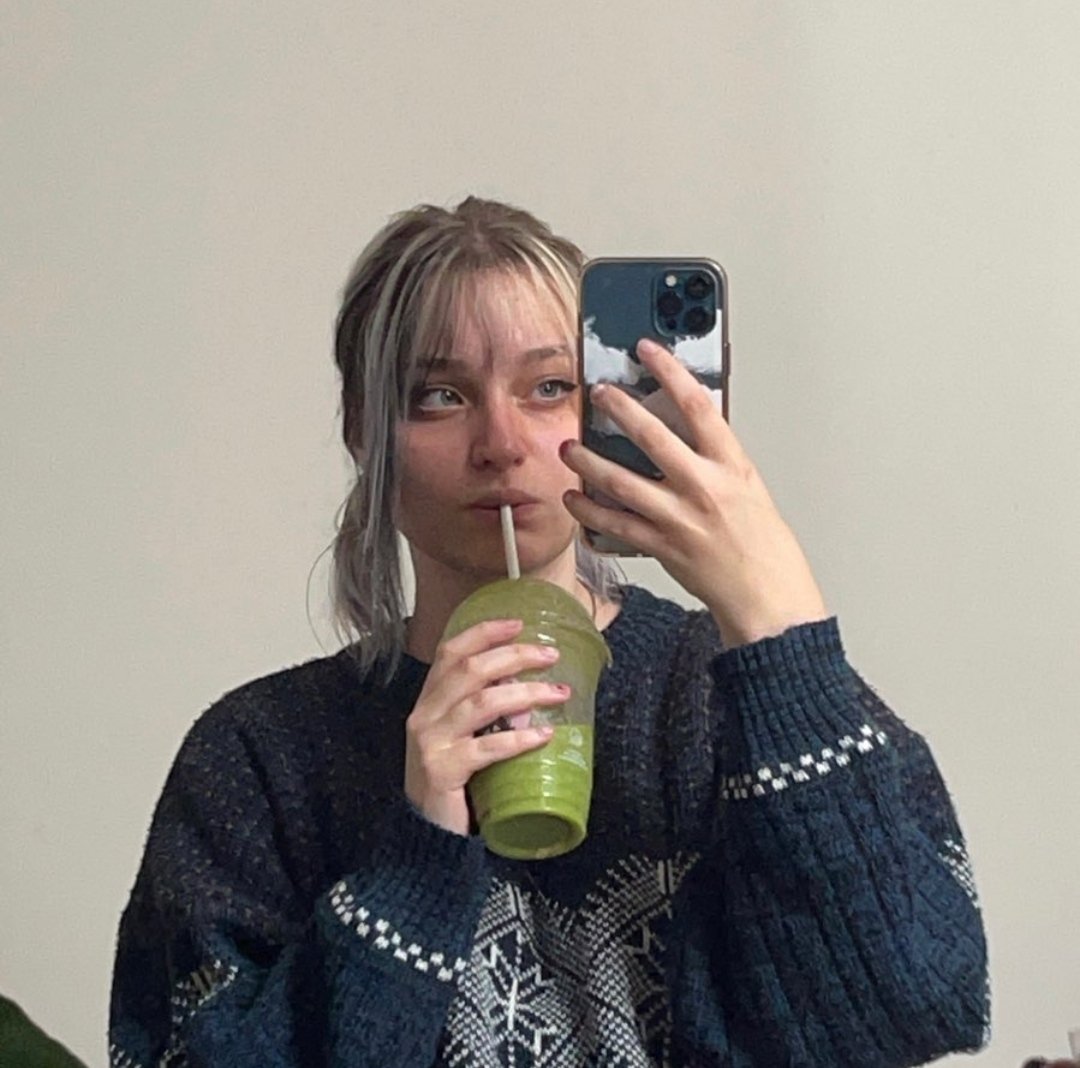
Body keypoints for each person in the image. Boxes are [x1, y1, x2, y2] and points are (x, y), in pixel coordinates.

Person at [109, 197, 990, 1067]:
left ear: (605, 409)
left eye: (550, 388)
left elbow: (920, 1004)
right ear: (362, 431)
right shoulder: (259, 756)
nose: (500, 442)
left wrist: (778, 630)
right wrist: (418, 863)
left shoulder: (720, 694)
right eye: (440, 395)